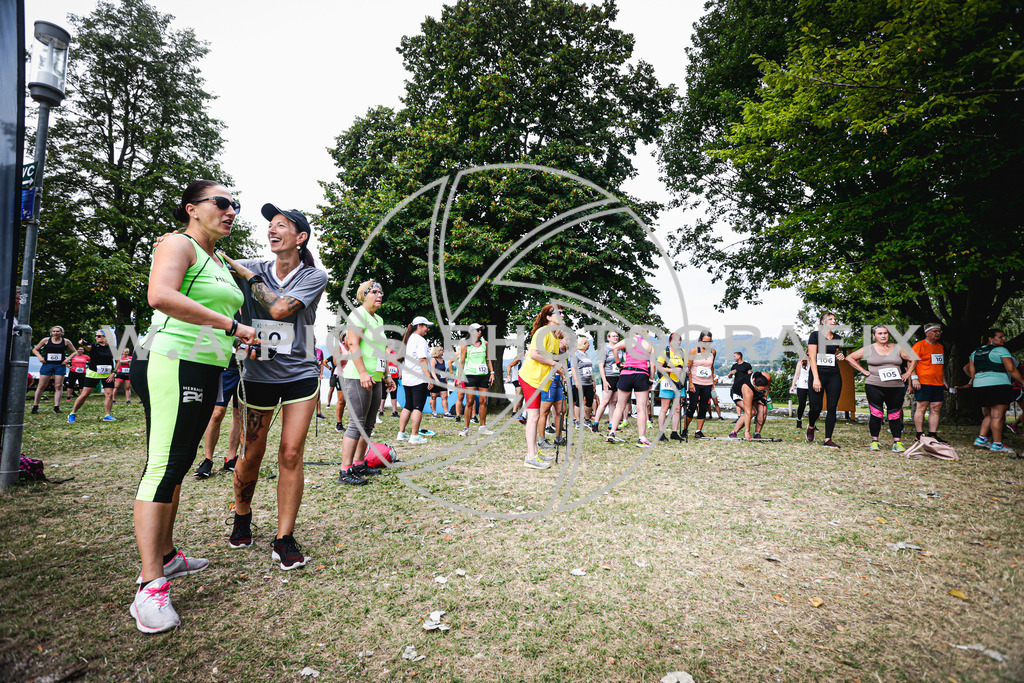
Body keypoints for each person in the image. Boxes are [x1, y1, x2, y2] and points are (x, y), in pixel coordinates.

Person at [129, 179, 255, 634]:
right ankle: (149, 587)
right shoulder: (177, 243)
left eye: (235, 205)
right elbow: (160, 296)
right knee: (163, 465)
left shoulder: (219, 258)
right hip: (170, 361)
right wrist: (229, 324)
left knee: (179, 463)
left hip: (203, 365)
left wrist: (238, 333)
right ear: (192, 208)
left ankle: (166, 555)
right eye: (221, 203)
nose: (231, 211)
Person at [220, 203, 328, 572]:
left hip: (299, 374)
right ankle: (242, 514)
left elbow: (281, 309)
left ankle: (284, 538)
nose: (272, 230)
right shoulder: (252, 265)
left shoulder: (314, 276)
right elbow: (208, 259)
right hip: (258, 375)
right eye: (270, 225)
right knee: (251, 453)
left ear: (300, 238)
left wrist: (249, 278)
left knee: (291, 453)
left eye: (281, 225)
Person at [338, 280, 397, 484]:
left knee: (369, 425)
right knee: (357, 424)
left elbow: (381, 350)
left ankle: (359, 463)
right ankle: (345, 471)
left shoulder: (378, 319)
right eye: (374, 292)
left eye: (381, 292)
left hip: (377, 377)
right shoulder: (358, 314)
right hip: (358, 377)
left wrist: (387, 375)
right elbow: (353, 344)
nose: (379, 295)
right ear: (363, 295)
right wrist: (363, 373)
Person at [847, 325, 916, 452]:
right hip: (874, 385)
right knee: (876, 413)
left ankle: (897, 442)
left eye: (885, 333)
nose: (883, 335)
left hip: (896, 386)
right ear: (874, 336)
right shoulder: (870, 349)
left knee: (894, 414)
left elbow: (913, 358)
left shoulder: (898, 348)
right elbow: (850, 358)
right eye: (880, 333)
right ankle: (875, 441)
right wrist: (863, 371)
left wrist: (907, 374)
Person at [517, 304, 567, 469]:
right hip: (530, 377)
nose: (562, 315)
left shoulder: (554, 337)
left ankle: (534, 452)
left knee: (535, 416)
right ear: (549, 317)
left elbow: (551, 359)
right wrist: (554, 363)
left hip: (539, 380)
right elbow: (534, 354)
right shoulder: (542, 332)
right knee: (533, 417)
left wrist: (560, 372)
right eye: (558, 313)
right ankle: (530, 457)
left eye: (563, 313)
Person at [967, 329, 1024, 456]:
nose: (1004, 339)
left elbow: (971, 372)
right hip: (998, 384)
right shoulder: (1002, 350)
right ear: (990, 339)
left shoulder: (975, 352)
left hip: (979, 386)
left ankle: (981, 439)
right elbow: (1011, 368)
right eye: (1000, 337)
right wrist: (1022, 381)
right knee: (998, 416)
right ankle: (998, 444)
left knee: (989, 414)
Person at [193, 352, 243, 478]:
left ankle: (231, 458)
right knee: (217, 413)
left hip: (246, 369)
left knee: (239, 414)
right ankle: (207, 460)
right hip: (225, 366)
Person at [607, 330, 656, 447]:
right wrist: (651, 380)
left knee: (620, 405)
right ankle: (642, 438)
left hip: (627, 373)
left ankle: (612, 432)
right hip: (642, 374)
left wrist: (618, 363)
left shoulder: (628, 341)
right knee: (641, 408)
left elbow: (614, 348)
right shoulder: (649, 345)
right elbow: (653, 365)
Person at [806, 312, 846, 449]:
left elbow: (834, 353)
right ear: (823, 322)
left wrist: (840, 355)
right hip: (818, 374)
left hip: (834, 374)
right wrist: (816, 378)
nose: (834, 321)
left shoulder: (838, 337)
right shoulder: (815, 335)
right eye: (830, 319)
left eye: (835, 319)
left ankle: (828, 439)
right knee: (816, 407)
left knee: (832, 407)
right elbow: (812, 357)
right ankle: (811, 425)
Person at [397, 316, 435, 445]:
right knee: (418, 407)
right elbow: (422, 360)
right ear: (419, 326)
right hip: (418, 378)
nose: (428, 329)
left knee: (408, 405)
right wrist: (429, 378)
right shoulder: (420, 340)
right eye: (426, 326)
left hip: (408, 378)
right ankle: (414, 435)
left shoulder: (408, 339)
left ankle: (401, 433)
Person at [66, 330, 117, 423]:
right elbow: (86, 346)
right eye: (96, 336)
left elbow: (118, 361)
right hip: (93, 373)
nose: (96, 337)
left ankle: (107, 415)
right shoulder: (93, 346)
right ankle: (72, 413)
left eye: (99, 336)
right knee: (85, 394)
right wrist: (82, 343)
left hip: (108, 374)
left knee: (109, 394)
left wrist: (114, 372)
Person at [910, 323, 948, 442]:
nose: (938, 333)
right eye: (935, 331)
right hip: (923, 381)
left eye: (939, 331)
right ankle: (919, 434)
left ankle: (932, 434)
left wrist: (944, 380)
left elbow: (940, 365)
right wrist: (914, 378)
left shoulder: (940, 347)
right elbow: (911, 363)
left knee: (936, 407)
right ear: (927, 333)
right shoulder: (919, 345)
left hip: (937, 382)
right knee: (922, 407)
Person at [458, 323, 495, 437]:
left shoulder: (485, 343)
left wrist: (492, 373)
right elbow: (462, 361)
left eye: (480, 330)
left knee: (483, 401)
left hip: (483, 375)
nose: (480, 332)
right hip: (470, 375)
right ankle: (466, 428)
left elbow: (488, 359)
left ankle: (483, 427)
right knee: (469, 402)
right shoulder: (466, 345)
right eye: (478, 330)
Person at [31, 325, 75, 413]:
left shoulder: (66, 341)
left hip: (60, 365)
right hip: (47, 364)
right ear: (51, 332)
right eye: (54, 331)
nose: (56, 333)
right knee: (42, 385)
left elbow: (74, 351)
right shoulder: (46, 340)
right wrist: (40, 357)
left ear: (61, 333)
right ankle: (35, 406)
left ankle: (56, 407)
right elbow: (35, 350)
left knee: (58, 386)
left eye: (58, 331)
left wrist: (67, 360)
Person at [683, 331, 717, 439]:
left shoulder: (713, 352)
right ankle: (685, 429)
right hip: (695, 382)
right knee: (692, 406)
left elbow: (711, 367)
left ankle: (698, 431)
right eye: (705, 341)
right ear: (700, 340)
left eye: (709, 342)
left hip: (707, 383)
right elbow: (688, 367)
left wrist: (713, 382)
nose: (706, 344)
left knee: (703, 407)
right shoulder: (694, 351)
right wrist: (690, 382)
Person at [655, 333, 686, 441]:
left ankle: (674, 432)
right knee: (665, 407)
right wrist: (672, 370)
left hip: (679, 383)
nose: (677, 342)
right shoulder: (664, 353)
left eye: (679, 340)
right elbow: (658, 368)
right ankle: (661, 432)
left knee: (677, 408)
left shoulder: (682, 352)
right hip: (667, 381)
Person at [591, 331, 622, 432]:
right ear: (608, 338)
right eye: (613, 336)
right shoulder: (604, 349)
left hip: (618, 376)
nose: (616, 338)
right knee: (605, 401)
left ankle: (612, 424)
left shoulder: (620, 349)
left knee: (614, 402)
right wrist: (604, 381)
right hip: (608, 376)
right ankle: (595, 424)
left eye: (617, 336)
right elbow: (601, 365)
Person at [729, 371, 772, 440]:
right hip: (738, 394)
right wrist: (747, 432)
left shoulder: (767, 377)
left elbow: (768, 386)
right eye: (760, 390)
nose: (761, 392)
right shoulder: (747, 388)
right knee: (751, 412)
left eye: (763, 390)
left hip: (755, 392)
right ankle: (733, 432)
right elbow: (748, 412)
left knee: (763, 408)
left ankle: (757, 433)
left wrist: (764, 395)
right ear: (754, 383)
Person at [570, 337, 596, 429]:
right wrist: (576, 381)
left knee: (589, 401)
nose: (589, 345)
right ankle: (578, 421)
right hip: (580, 381)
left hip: (588, 382)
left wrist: (592, 380)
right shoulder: (575, 355)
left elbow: (589, 369)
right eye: (587, 343)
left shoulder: (586, 355)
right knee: (579, 402)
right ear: (583, 344)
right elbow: (573, 368)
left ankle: (587, 419)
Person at [332, 333, 349, 431]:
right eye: (348, 337)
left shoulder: (355, 347)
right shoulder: (339, 347)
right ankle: (339, 423)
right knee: (342, 400)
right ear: (343, 339)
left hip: (353, 375)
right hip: (341, 374)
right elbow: (335, 362)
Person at [726, 351, 752, 416]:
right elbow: (729, 377)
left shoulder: (747, 365)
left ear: (739, 356)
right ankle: (739, 416)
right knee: (737, 401)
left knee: (748, 401)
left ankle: (750, 413)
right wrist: (730, 374)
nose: (734, 358)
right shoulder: (734, 366)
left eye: (734, 356)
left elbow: (750, 375)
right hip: (736, 386)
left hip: (745, 386)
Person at [428, 345, 450, 419]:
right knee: (433, 397)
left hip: (443, 381)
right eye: (441, 350)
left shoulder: (443, 360)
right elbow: (432, 371)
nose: (443, 351)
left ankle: (446, 413)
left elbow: (444, 371)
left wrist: (446, 379)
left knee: (444, 397)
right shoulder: (433, 360)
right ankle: (434, 413)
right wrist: (436, 380)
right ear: (437, 351)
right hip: (435, 381)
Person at [789, 359, 810, 429]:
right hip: (802, 386)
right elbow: (797, 374)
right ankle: (799, 420)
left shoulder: (815, 362)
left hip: (811, 386)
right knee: (802, 404)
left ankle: (812, 423)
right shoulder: (800, 362)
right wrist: (793, 385)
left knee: (813, 405)